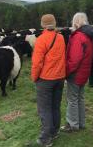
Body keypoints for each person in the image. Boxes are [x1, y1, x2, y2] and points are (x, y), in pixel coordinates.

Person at [31, 14, 66, 146]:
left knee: (44, 108)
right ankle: (55, 131)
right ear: (54, 23)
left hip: (45, 79)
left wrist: (35, 77)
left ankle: (46, 138)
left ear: (42, 25)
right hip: (60, 77)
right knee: (55, 106)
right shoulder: (61, 37)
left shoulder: (41, 39)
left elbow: (37, 63)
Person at [61, 12, 93, 132]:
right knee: (80, 98)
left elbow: (75, 59)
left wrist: (66, 72)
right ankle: (81, 123)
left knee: (72, 100)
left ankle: (72, 124)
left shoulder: (78, 37)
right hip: (84, 73)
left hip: (75, 74)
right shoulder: (89, 36)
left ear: (76, 22)